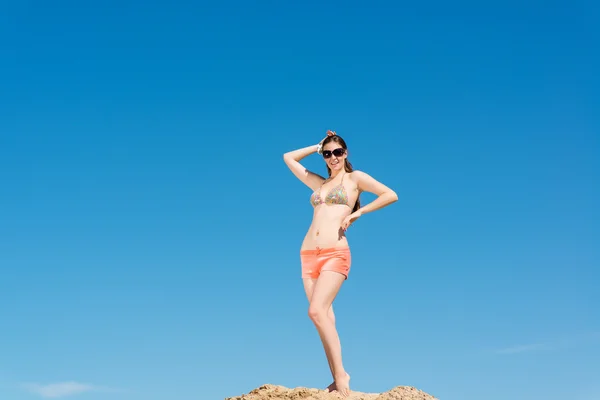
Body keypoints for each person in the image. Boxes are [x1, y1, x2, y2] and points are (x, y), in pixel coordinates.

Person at [282, 130, 398, 397]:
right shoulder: (319, 184)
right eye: (327, 153)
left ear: (345, 153)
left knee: (316, 311)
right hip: (308, 254)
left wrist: (358, 213)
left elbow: (390, 194)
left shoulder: (355, 179)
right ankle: (337, 376)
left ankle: (342, 377)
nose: (332, 157)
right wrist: (316, 145)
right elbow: (288, 158)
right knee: (324, 319)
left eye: (337, 152)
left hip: (335, 252)